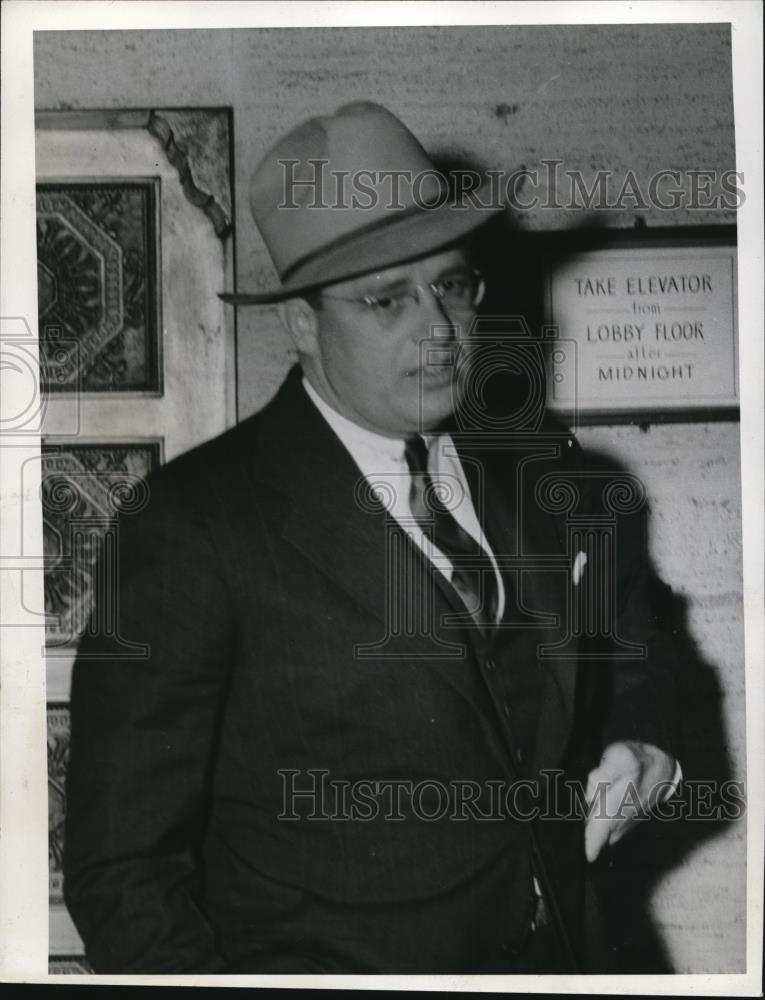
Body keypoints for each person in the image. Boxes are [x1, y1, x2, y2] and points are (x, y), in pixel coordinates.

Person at [63, 101, 681, 974]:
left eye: (453, 285)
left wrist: (646, 742)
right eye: (386, 299)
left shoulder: (552, 486)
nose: (437, 329)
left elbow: (638, 654)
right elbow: (121, 871)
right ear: (303, 325)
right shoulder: (191, 524)